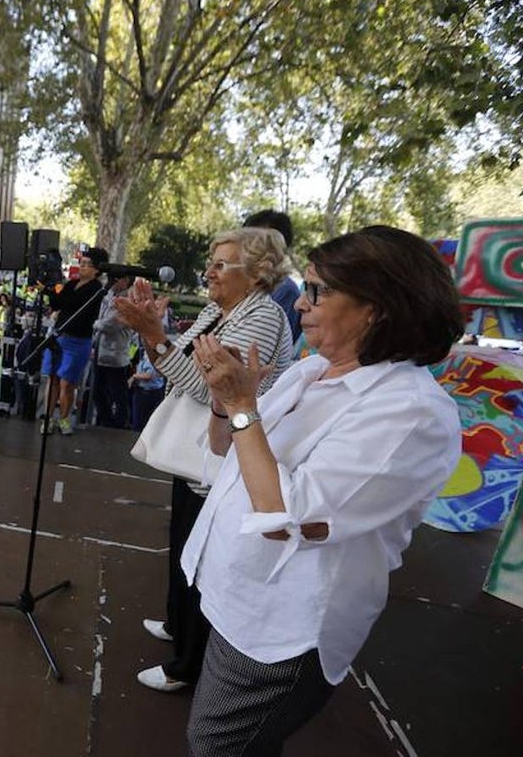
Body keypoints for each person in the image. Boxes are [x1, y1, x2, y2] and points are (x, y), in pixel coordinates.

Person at [182, 226, 463, 754]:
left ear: (376, 307)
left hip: (282, 624)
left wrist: (243, 406)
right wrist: (226, 402)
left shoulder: (412, 412)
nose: (301, 304)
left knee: (217, 745)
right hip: (238, 597)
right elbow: (226, 453)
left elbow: (283, 516)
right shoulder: (312, 371)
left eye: (318, 290)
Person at [116, 227, 293, 694]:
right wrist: (157, 333)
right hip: (200, 455)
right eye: (210, 263)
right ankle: (177, 624)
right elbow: (182, 361)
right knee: (182, 543)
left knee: (202, 560)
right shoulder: (220, 311)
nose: (209, 273)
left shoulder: (262, 317)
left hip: (224, 459)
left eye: (220, 265)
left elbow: (207, 387)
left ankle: (187, 665)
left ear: (256, 273)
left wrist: (155, 336)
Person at [40, 247, 108, 435]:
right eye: (81, 263)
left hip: (78, 341)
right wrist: (50, 289)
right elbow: (57, 303)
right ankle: (48, 418)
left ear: (96, 270)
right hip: (59, 336)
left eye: (87, 264)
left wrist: (58, 294)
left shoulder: (96, 289)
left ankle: (64, 418)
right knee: (53, 379)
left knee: (67, 383)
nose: (82, 267)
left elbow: (71, 303)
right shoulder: (72, 284)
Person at [244, 209, 301, 344]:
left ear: (280, 246)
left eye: (257, 240)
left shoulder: (285, 291)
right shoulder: (244, 283)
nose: (247, 247)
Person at [91, 273, 134, 428]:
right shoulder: (108, 295)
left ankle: (119, 425)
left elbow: (110, 324)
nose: (112, 282)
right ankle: (105, 422)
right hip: (100, 352)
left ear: (126, 280)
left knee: (118, 394)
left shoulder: (129, 300)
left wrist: (96, 323)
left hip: (115, 355)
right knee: (98, 392)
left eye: (116, 278)